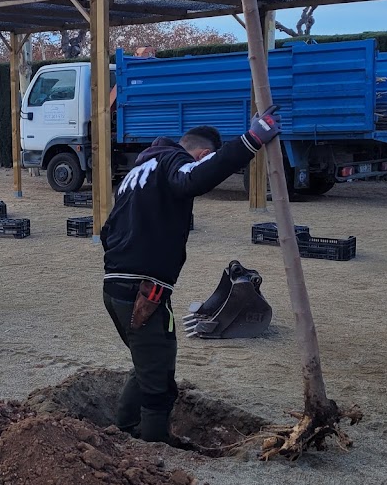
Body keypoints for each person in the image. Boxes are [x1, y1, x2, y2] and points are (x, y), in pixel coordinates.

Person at [99, 108, 281, 444]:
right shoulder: (174, 162)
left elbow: (106, 230)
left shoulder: (137, 171)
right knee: (158, 379)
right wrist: (251, 140)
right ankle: (152, 443)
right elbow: (194, 178)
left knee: (150, 361)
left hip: (116, 286)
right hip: (143, 290)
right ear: (202, 154)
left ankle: (123, 430)